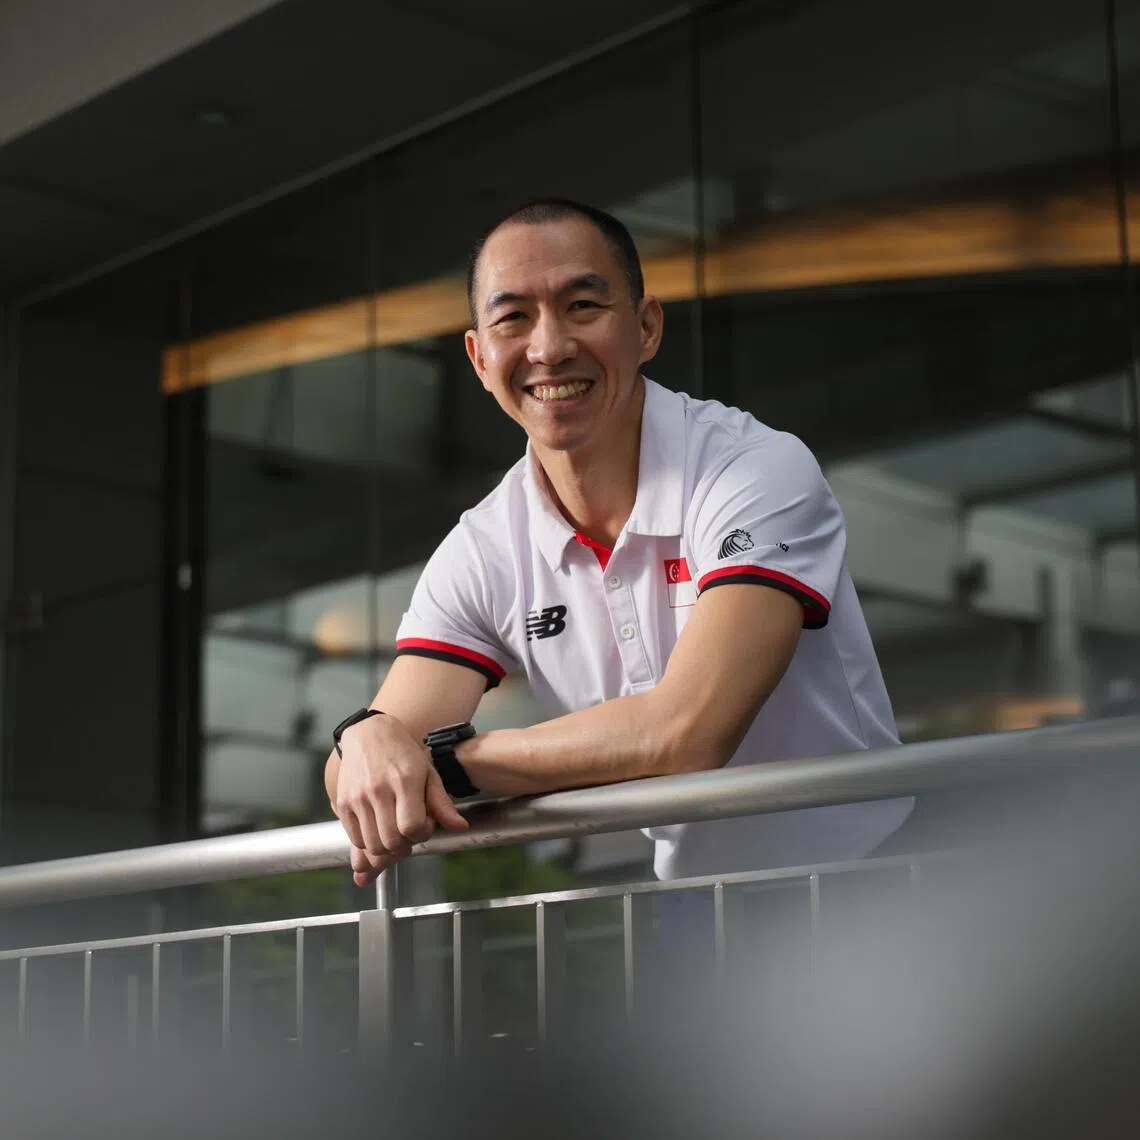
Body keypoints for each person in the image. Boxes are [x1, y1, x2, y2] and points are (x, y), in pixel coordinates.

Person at [324, 198, 912, 891]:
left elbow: (686, 732)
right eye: (513, 317)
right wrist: (361, 737)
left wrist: (450, 763)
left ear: (646, 326)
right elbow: (362, 766)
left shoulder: (752, 468)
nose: (548, 348)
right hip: (699, 902)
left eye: (582, 306)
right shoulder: (486, 545)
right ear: (480, 358)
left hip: (874, 876)